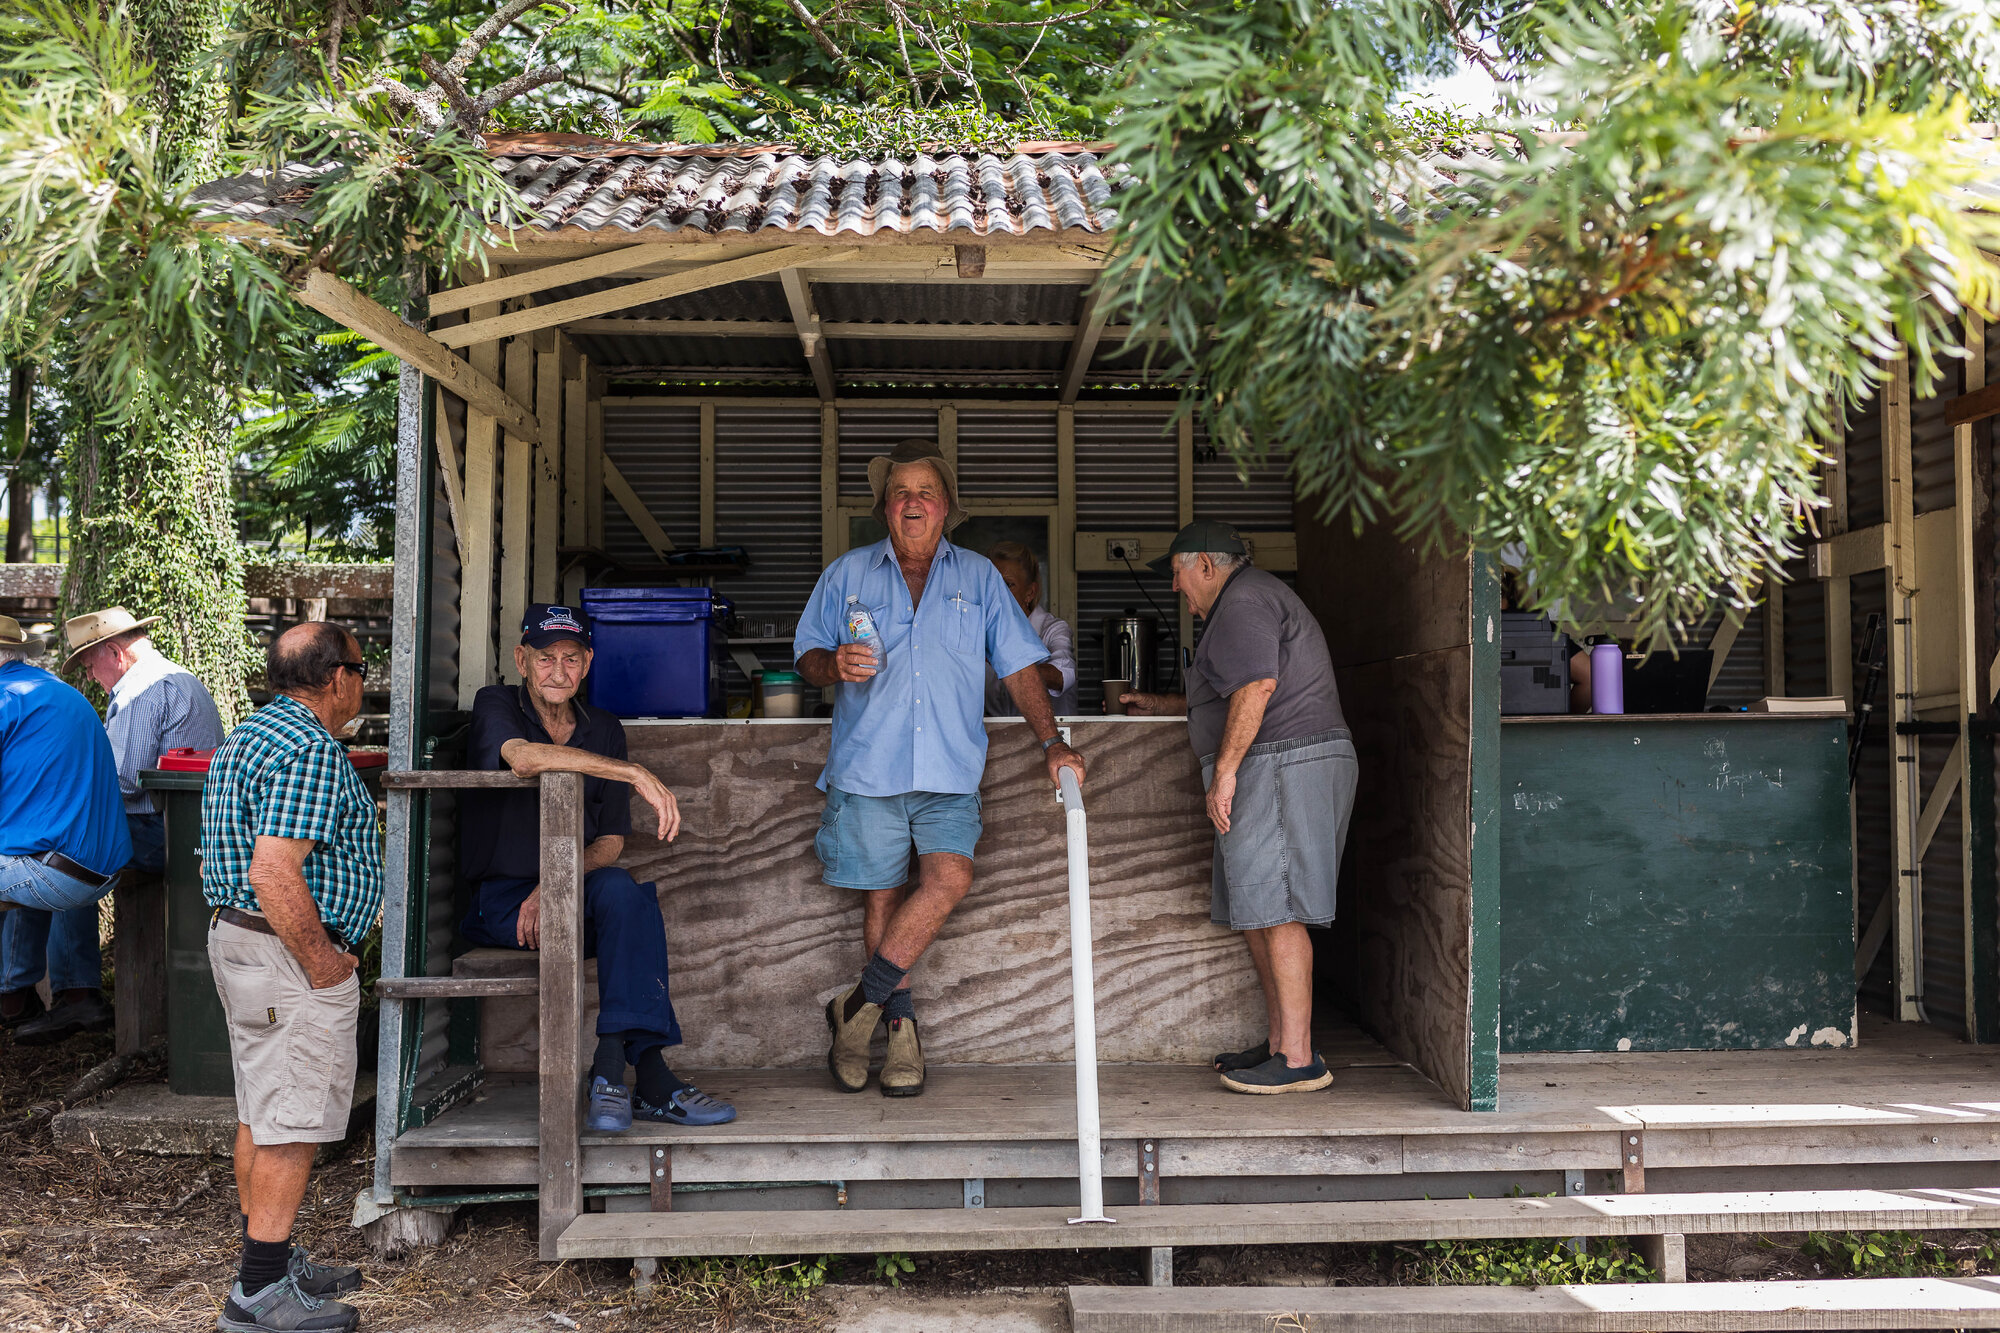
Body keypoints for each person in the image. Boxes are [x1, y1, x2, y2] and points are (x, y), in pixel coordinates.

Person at [795, 438, 1088, 1098]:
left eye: (926, 491)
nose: (913, 502)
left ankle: (855, 1010)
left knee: (949, 877)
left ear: (947, 505)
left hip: (950, 767)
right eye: (900, 492)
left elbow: (1018, 665)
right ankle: (899, 1030)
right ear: (884, 508)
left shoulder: (979, 577)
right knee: (881, 897)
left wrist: (1052, 743)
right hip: (869, 764)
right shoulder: (847, 574)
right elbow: (807, 655)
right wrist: (831, 664)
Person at [460, 604, 735, 1132]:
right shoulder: (495, 704)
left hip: (563, 890)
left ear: (587, 664)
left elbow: (609, 842)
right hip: (501, 902)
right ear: (522, 660)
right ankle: (649, 1080)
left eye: (571, 658)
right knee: (625, 905)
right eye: (545, 658)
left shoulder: (602, 727)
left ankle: (610, 1070)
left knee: (623, 892)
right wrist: (633, 773)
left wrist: (555, 884)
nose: (558, 671)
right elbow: (523, 758)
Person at [1121, 521, 1356, 1094]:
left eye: (1176, 573)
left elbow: (1255, 689)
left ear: (1205, 564)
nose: (1175, 588)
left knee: (1278, 909)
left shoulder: (1244, 599)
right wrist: (1159, 704)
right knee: (1258, 908)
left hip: (1280, 762)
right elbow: (1228, 692)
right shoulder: (1241, 604)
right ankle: (1280, 1044)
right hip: (1271, 763)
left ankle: (1299, 1058)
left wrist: (1225, 773)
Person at [200, 623, 377, 1332]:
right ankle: (257, 1294)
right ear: (336, 676)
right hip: (287, 956)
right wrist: (325, 962)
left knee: (261, 1109)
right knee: (290, 1124)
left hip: (241, 943)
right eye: (362, 670)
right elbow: (274, 868)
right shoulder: (309, 746)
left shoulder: (250, 734)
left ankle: (268, 1259)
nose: (364, 682)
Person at [4, 607, 227, 1048]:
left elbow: (119, 780)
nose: (90, 676)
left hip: (165, 830)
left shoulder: (142, 691)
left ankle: (71, 992)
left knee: (67, 844)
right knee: (57, 844)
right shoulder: (175, 677)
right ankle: (45, 988)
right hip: (189, 826)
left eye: (90, 665)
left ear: (114, 652)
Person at [0, 615, 131, 1038]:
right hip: (94, 868)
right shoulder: (53, 691)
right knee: (21, 857)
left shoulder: (6, 698)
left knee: (22, 863)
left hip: (56, 873)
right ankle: (16, 997)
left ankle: (12, 995)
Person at [982, 540, 1078, 717]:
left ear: (1030, 592)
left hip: (1054, 741)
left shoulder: (1052, 629)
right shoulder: (978, 632)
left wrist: (1004, 661)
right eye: (991, 584)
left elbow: (1062, 676)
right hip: (1000, 741)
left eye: (1008, 584)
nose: (997, 593)